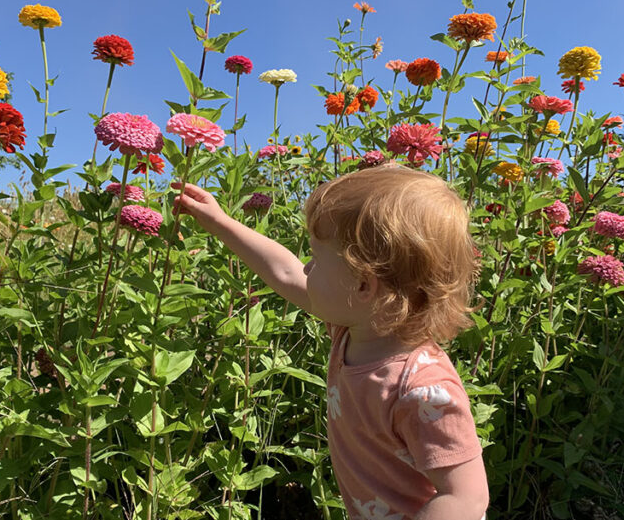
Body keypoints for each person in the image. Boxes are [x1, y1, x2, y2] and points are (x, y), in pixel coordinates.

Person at [171, 164, 489, 520]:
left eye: (316, 259)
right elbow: (285, 271)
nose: (306, 268)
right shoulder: (352, 328)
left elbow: (466, 498)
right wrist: (219, 222)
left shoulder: (422, 390)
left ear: (363, 285)